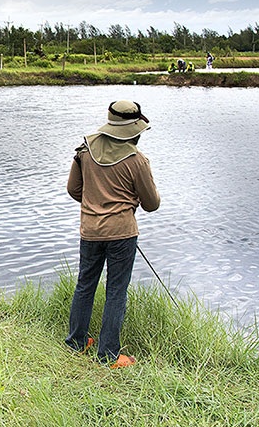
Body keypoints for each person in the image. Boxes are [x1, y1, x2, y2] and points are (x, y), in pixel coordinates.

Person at [64, 100, 160, 368]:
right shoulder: (136, 160)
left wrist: (96, 202)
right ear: (133, 131)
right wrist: (126, 202)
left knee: (85, 284)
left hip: (90, 230)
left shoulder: (85, 150)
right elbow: (152, 203)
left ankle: (76, 342)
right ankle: (108, 354)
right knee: (116, 291)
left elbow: (73, 190)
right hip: (122, 234)